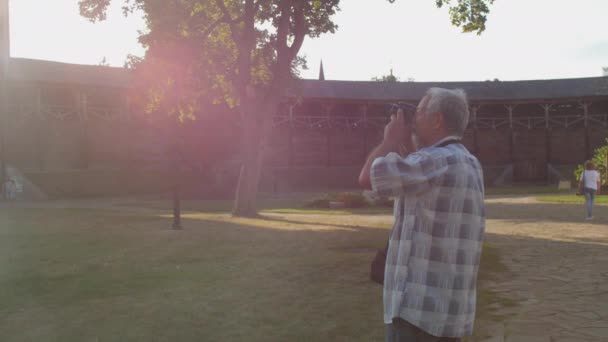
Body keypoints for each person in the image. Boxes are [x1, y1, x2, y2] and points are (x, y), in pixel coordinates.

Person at [359, 88, 485, 341]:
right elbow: (413, 184)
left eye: (418, 113)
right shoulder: (469, 162)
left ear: (437, 120)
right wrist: (406, 145)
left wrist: (389, 141)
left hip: (417, 313)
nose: (413, 120)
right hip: (450, 310)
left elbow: (366, 179)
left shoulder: (435, 161)